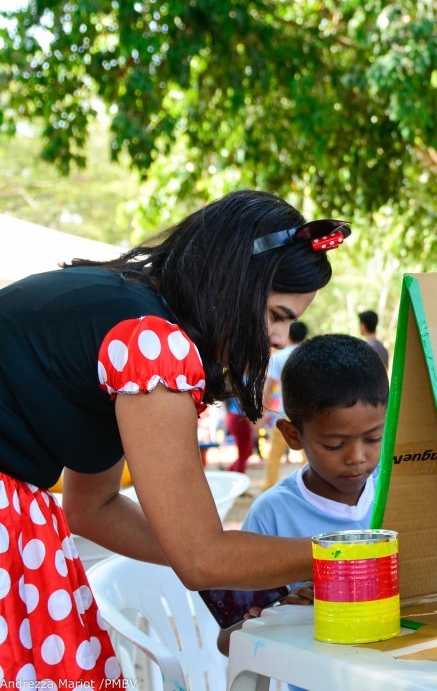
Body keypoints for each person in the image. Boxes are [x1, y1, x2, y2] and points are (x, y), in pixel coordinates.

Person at [0, 190, 350, 684]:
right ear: (231, 283)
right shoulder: (154, 343)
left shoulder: (124, 310)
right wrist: (348, 553)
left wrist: (248, 576)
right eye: (275, 316)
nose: (278, 340)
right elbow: (200, 557)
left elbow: (92, 507)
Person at [216, 334, 388, 679]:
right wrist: (280, 611)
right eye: (334, 444)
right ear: (293, 436)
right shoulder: (271, 515)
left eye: (374, 439)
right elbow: (227, 639)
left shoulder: (398, 486)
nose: (357, 458)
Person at [260, 320, 309, 489]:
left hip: (284, 412)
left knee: (274, 454)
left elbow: (269, 387)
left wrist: (263, 410)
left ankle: (268, 485)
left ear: (289, 334)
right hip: (307, 414)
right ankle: (309, 487)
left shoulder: (278, 357)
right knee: (308, 454)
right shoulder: (308, 356)